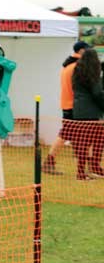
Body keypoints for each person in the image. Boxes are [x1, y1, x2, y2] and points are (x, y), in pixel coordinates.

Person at [44, 41, 88, 175]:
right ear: (81, 51)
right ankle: (48, 163)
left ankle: (49, 162)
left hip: (67, 104)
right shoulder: (77, 67)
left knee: (69, 135)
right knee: (68, 135)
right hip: (75, 105)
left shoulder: (67, 66)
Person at [70, 48, 104, 181]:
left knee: (82, 143)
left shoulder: (77, 71)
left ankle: (82, 171)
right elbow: (97, 93)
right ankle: (92, 169)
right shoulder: (93, 74)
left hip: (78, 111)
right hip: (92, 112)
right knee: (97, 142)